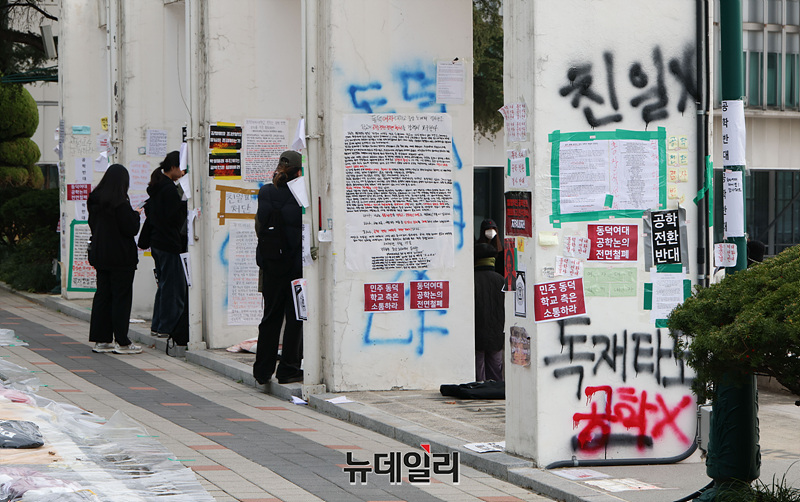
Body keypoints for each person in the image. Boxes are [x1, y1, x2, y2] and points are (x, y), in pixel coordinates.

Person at [253, 151, 304, 385]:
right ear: (298, 171)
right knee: (294, 318)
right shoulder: (303, 195)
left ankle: (262, 371)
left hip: (271, 264)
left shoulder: (265, 191)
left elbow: (259, 226)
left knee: (270, 317)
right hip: (296, 267)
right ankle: (288, 369)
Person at [87, 164, 143, 354]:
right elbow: (130, 229)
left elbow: (92, 225)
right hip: (121, 257)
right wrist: (136, 215)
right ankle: (122, 342)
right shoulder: (120, 203)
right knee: (121, 297)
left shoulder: (94, 199)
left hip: (100, 254)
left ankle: (101, 340)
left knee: (103, 295)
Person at [146, 151, 189, 345]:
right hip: (169, 243)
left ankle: (158, 326)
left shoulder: (158, 187)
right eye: (181, 167)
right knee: (173, 288)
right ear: (172, 167)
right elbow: (175, 217)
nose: (183, 171)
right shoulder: (170, 190)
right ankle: (167, 327)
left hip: (157, 242)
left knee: (163, 286)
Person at [474, 242, 505, 381]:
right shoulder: (502, 280)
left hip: (476, 335)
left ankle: (480, 391)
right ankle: (493, 393)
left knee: (478, 373)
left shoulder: (471, 280)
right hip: (497, 334)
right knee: (495, 372)